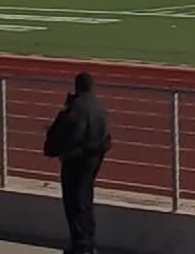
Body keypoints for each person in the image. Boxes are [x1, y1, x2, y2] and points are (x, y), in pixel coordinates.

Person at [44, 72, 112, 254]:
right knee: (86, 201)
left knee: (74, 203)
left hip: (76, 160)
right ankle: (88, 243)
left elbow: (65, 132)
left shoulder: (75, 107)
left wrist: (54, 148)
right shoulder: (99, 107)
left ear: (77, 86)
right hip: (93, 160)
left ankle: (81, 245)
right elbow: (106, 137)